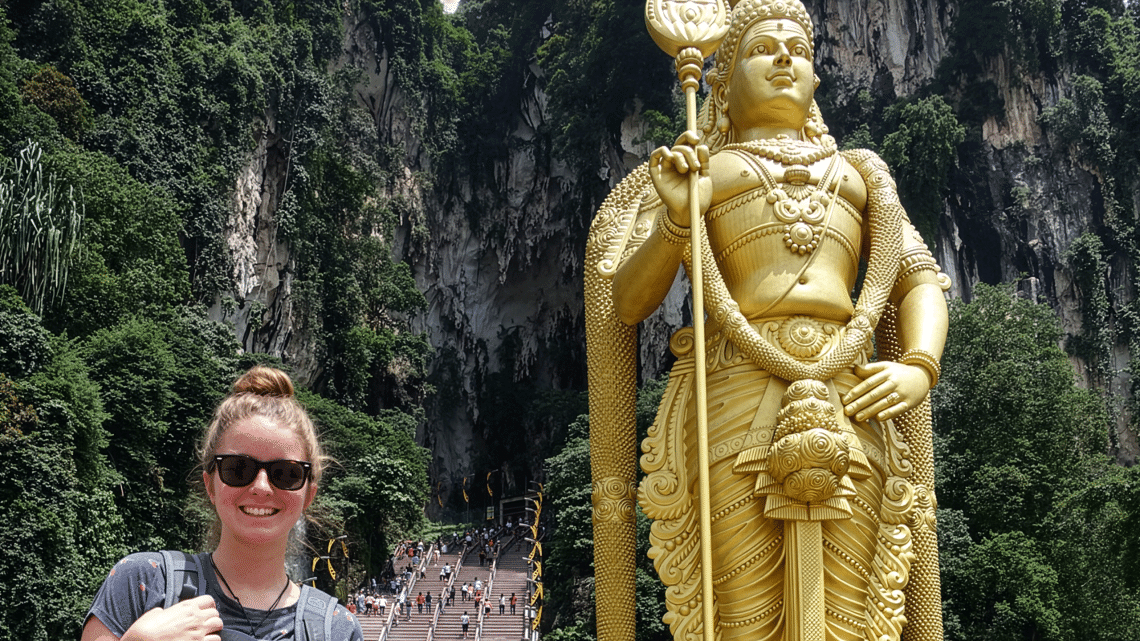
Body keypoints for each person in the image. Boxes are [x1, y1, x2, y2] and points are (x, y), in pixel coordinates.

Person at [587, 1, 949, 640]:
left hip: (849, 395)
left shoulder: (860, 175)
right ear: (722, 84)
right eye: (762, 49)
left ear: (816, 80)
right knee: (741, 615)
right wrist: (676, 219)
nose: (784, 58)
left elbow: (918, 278)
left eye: (799, 50)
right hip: (734, 392)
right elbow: (627, 301)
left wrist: (919, 364)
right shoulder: (701, 172)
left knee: (853, 612)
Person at [81, 366, 364, 641]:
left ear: (309, 494)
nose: (261, 487)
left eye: (286, 474)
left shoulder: (337, 629)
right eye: (238, 468)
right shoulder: (144, 582)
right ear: (210, 485)